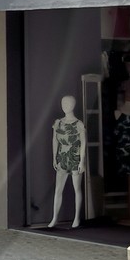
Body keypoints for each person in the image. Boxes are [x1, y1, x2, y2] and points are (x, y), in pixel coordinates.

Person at [47, 95, 86, 229]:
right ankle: (55, 218)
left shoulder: (79, 124)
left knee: (77, 189)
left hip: (75, 157)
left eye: (68, 103)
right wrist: (54, 158)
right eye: (63, 103)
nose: (65, 106)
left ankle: (76, 218)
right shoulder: (58, 123)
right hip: (62, 157)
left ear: (73, 105)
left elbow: (83, 143)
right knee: (58, 189)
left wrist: (82, 161)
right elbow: (54, 141)